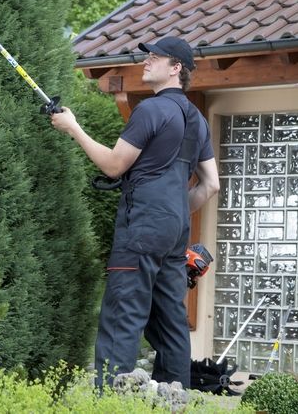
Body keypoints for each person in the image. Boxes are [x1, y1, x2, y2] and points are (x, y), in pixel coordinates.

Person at [51, 36, 220, 389]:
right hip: (175, 232)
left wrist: (73, 128)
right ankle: (174, 402)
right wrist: (173, 214)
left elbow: (114, 166)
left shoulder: (151, 110)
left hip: (141, 226)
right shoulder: (198, 120)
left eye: (155, 57)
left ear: (177, 68)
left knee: (122, 317)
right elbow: (210, 185)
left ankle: (112, 404)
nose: (146, 61)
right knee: (172, 321)